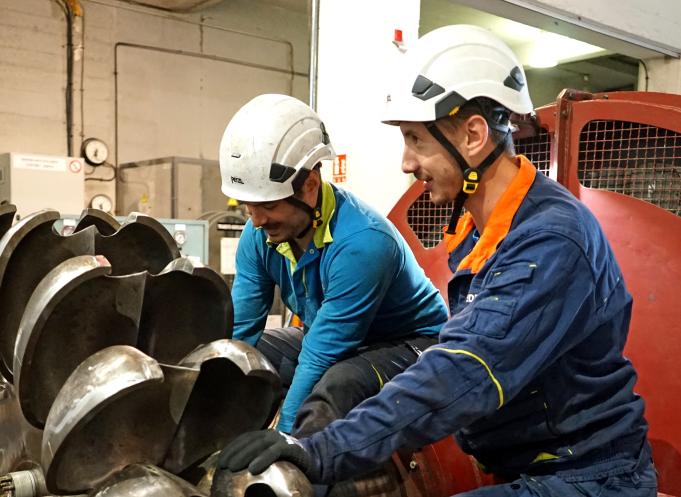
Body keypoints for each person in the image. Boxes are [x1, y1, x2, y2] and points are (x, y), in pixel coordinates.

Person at [216, 25, 657, 497]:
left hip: (590, 478)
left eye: (416, 140)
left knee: (341, 381)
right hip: (527, 463)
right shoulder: (476, 229)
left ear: (472, 135)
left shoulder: (550, 242)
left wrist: (317, 449)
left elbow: (463, 371)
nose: (406, 163)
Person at [219, 93, 449, 437]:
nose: (256, 219)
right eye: (248, 206)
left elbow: (318, 357)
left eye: (267, 205)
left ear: (310, 186)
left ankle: (299, 482)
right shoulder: (259, 232)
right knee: (254, 355)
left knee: (335, 386)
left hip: (414, 342)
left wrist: (284, 443)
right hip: (334, 335)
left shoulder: (363, 244)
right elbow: (241, 331)